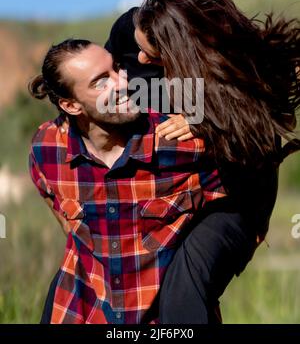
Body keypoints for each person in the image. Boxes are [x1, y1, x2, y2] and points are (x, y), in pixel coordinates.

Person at [130, 0, 300, 323]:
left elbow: (255, 146)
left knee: (184, 287)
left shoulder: (247, 74)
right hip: (179, 193)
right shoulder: (137, 35)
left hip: (236, 203)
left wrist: (205, 123)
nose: (141, 60)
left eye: (152, 54)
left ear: (182, 51)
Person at [28, 39, 228, 324]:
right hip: (78, 313)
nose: (122, 83)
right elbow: (60, 212)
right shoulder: (46, 148)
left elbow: (244, 188)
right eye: (100, 82)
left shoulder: (178, 143)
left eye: (117, 69)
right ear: (71, 105)